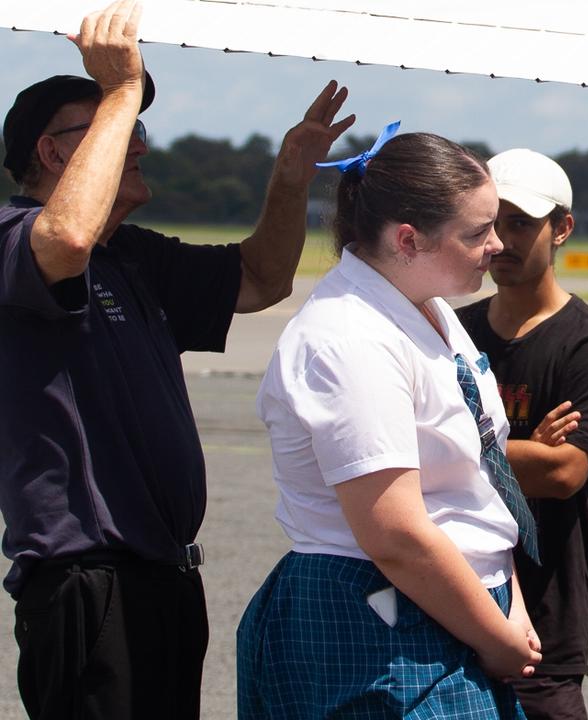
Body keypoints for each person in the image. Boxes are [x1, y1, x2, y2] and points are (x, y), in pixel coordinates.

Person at [0, 1, 353, 717]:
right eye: (116, 127)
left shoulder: (133, 255)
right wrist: (121, 89)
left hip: (161, 576)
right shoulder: (13, 236)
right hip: (84, 585)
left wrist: (289, 179)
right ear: (51, 154)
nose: (139, 141)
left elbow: (260, 279)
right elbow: (64, 240)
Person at [237, 124, 557, 718]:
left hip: (450, 599)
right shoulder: (350, 338)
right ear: (408, 239)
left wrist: (506, 597)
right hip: (374, 616)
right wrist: (497, 637)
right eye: (478, 231)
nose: (497, 246)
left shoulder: (429, 306)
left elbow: (476, 475)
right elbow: (396, 533)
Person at [457, 148, 588, 719]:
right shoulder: (451, 331)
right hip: (447, 604)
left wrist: (444, 444)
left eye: (521, 224)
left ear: (562, 229)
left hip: (544, 625)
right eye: (490, 223)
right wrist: (523, 451)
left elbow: (562, 474)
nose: (502, 241)